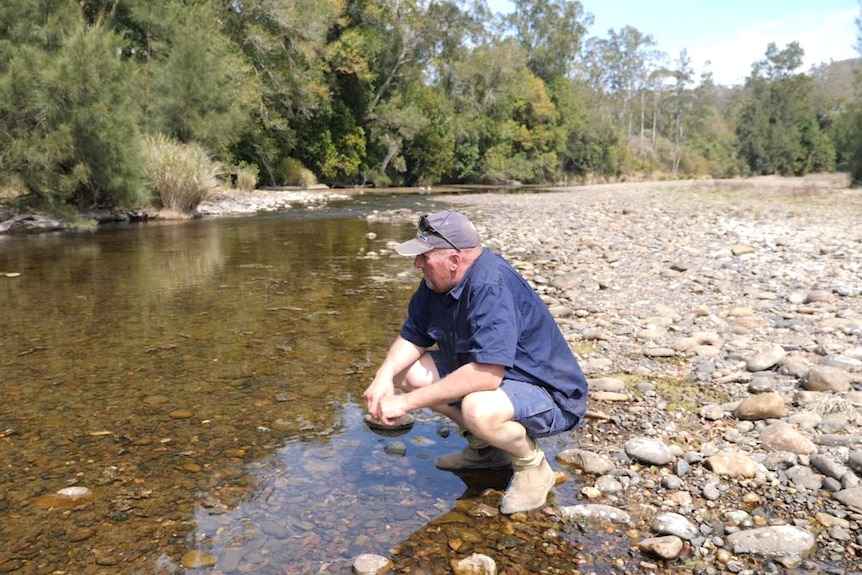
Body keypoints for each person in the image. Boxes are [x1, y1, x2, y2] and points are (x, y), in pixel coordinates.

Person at [363, 210, 588, 514]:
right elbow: (412, 337)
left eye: (424, 257)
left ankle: (533, 466)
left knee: (477, 408)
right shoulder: (436, 283)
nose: (417, 263)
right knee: (405, 370)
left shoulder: (489, 285)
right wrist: (384, 377)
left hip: (549, 393)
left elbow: (486, 377)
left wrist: (405, 404)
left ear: (454, 260)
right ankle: (488, 451)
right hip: (503, 379)